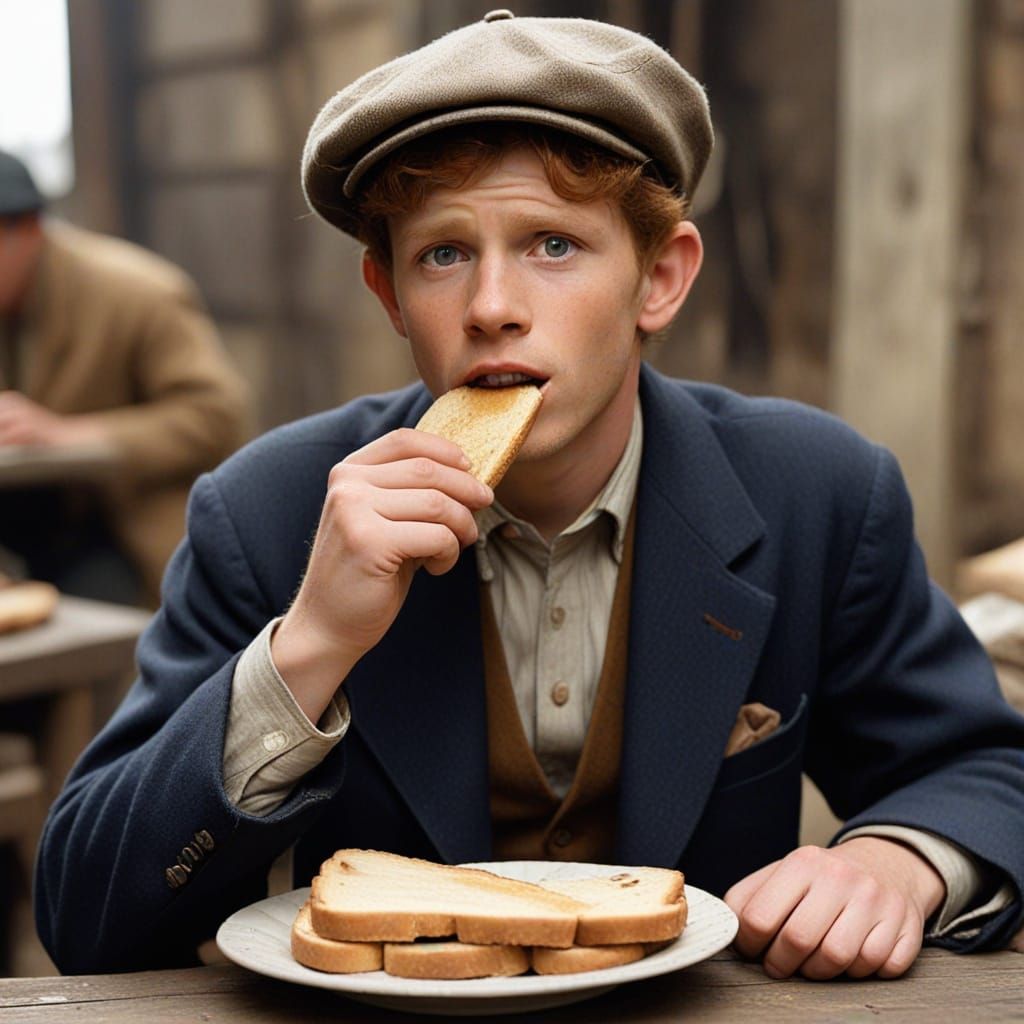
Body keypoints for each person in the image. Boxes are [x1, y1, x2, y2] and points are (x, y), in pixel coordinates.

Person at [35, 12, 1024, 979]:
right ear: (388, 296)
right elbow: (84, 914)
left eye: (553, 244)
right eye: (443, 253)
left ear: (660, 280)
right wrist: (307, 649)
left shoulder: (818, 493)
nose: (492, 307)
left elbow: (986, 768)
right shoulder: (270, 512)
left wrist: (893, 861)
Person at [0, 150, 248, 605]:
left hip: (118, 528)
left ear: (29, 230)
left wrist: (67, 434)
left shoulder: (137, 292)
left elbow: (216, 417)